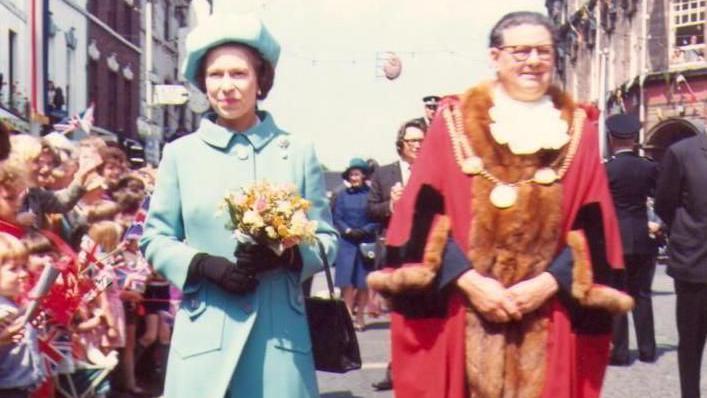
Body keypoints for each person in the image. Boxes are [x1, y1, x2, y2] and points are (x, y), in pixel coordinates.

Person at [367, 11, 631, 397]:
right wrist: (472, 283)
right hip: (462, 307)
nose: (533, 61)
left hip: (549, 311)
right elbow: (419, 218)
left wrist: (546, 283)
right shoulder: (453, 124)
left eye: (544, 51)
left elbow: (595, 227)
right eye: (520, 50)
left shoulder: (578, 130)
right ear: (495, 57)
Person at [140, 13, 337, 398]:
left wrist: (288, 256)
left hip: (278, 338)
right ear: (202, 82)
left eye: (239, 74)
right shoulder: (181, 154)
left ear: (260, 80)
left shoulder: (297, 152)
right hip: (204, 336)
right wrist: (202, 265)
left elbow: (327, 241)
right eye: (216, 75)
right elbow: (155, 238)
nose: (226, 87)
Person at [367, 117, 427, 391]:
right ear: (400, 144)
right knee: (397, 317)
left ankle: (423, 371)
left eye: (421, 140)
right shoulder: (384, 173)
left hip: (427, 253)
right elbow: (370, 210)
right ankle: (396, 371)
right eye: (411, 140)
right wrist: (391, 204)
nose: (417, 145)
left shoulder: (433, 169)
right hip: (394, 252)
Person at [654, 122, 707, 398]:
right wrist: (688, 232)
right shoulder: (682, 153)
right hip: (694, 264)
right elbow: (664, 202)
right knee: (691, 341)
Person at [604, 113, 658, 365]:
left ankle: (621, 352)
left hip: (616, 239)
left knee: (618, 293)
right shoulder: (649, 166)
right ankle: (648, 350)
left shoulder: (607, 169)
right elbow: (662, 198)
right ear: (635, 139)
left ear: (611, 138)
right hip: (643, 236)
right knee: (643, 294)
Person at [332, 158, 378, 331]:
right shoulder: (342, 195)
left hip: (366, 242)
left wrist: (365, 230)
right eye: (351, 174)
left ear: (364, 175)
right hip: (347, 242)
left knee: (362, 283)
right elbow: (337, 217)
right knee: (347, 283)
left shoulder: (371, 194)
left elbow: (376, 217)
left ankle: (360, 318)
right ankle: (348, 316)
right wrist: (348, 230)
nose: (354, 178)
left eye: (357, 174)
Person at [0, 232, 44, 397]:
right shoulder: (3, 311)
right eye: (13, 269)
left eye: (24, 266)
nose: (24, 273)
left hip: (20, 387)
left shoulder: (12, 304)